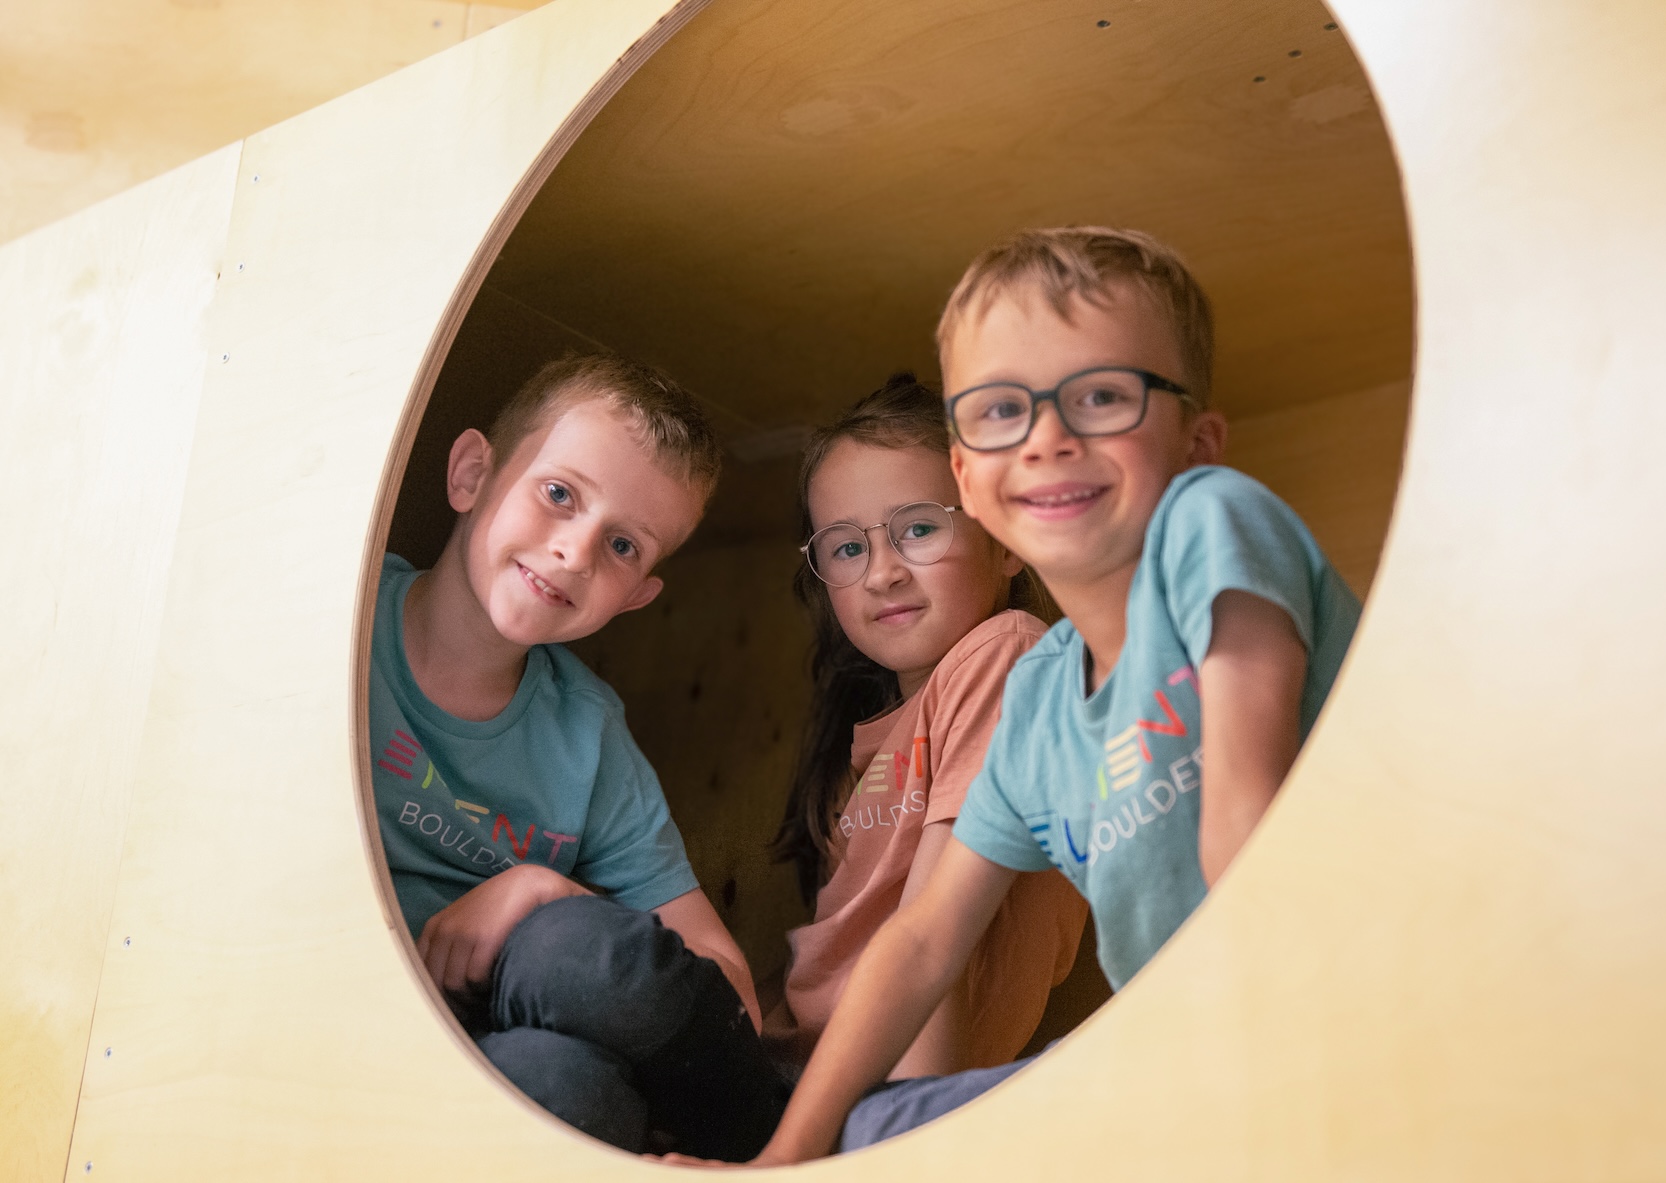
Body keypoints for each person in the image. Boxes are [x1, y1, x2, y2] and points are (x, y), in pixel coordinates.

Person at [722, 226, 1364, 1164]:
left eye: (1101, 396)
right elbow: (924, 941)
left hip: (1313, 1008)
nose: (1050, 437)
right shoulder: (1039, 702)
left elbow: (1243, 822)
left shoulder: (1213, 519)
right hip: (1178, 1049)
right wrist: (786, 1159)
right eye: (999, 413)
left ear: (1199, 444)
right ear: (970, 482)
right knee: (881, 1125)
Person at [368, 351, 788, 1158]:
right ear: (471, 473)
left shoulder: (586, 736)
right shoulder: (341, 634)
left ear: (637, 596)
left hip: (504, 1041)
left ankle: (778, 1157)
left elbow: (721, 985)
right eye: (559, 494)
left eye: (624, 545)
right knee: (569, 1041)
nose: (575, 552)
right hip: (346, 1011)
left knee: (569, 1035)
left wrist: (539, 890)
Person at [765, 374, 1089, 1078]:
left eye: (917, 528)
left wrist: (912, 1133)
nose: (882, 572)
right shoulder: (874, 734)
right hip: (804, 1079)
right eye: (847, 548)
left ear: (1006, 542)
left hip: (879, 1095)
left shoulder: (1006, 653)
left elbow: (931, 941)